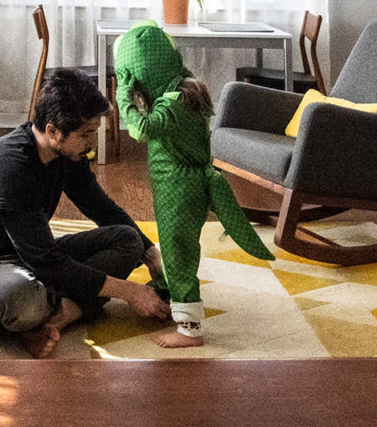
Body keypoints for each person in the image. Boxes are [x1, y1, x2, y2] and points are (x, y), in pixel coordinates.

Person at [0, 67, 170, 357]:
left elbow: (101, 207)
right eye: (86, 134)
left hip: (29, 256)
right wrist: (128, 291)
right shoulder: (9, 168)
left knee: (127, 239)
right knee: (23, 298)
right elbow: (46, 262)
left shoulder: (67, 152)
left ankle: (60, 316)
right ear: (53, 130)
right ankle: (52, 310)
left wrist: (150, 254)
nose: (92, 143)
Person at [115, 21, 274, 348]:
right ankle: (168, 293)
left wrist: (123, 93)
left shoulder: (171, 106)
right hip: (177, 189)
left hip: (181, 191)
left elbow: (141, 130)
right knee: (175, 246)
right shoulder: (181, 90)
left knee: (178, 253)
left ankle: (190, 329)